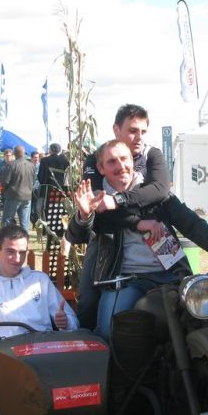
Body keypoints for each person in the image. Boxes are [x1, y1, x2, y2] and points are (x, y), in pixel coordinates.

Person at [67, 139, 208, 341]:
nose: (120, 166)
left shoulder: (153, 193)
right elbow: (77, 236)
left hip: (170, 274)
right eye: (112, 162)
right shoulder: (97, 200)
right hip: (125, 280)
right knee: (109, 333)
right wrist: (84, 215)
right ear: (101, 168)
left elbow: (192, 224)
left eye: (124, 159)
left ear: (133, 161)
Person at [76, 104, 170, 329]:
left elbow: (160, 191)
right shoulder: (97, 158)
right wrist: (137, 222)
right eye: (132, 130)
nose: (139, 137)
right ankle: (93, 348)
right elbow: (99, 207)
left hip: (154, 238)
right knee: (88, 299)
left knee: (190, 292)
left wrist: (118, 201)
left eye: (143, 131)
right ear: (116, 130)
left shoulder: (152, 154)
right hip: (108, 238)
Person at [0, 145, 35, 233]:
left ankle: (4, 240)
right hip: (27, 196)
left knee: (7, 221)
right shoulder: (31, 165)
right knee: (24, 223)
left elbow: (4, 181)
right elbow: (34, 180)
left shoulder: (11, 165)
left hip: (13, 195)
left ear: (15, 153)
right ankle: (24, 242)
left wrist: (5, 190)